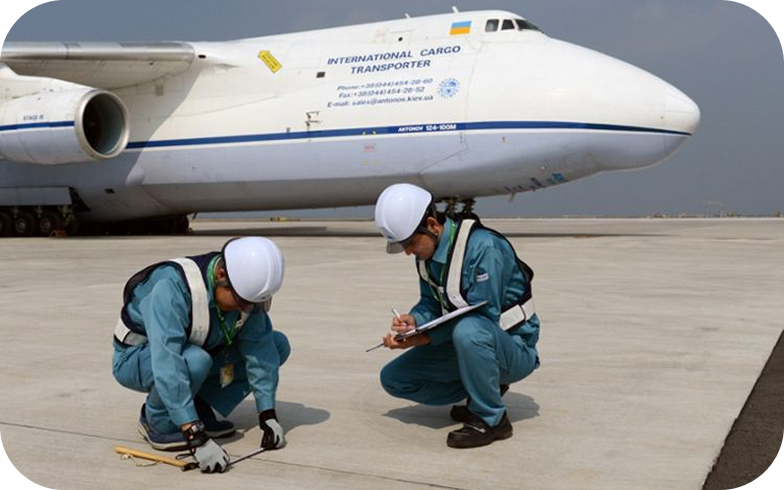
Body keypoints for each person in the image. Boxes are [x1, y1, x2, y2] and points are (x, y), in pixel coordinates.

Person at [374, 183, 540, 449]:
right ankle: (483, 391)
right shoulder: (426, 255)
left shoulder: (484, 247)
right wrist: (415, 321)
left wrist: (425, 339)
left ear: (432, 224)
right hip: (472, 343)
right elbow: (431, 302)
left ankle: (492, 418)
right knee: (395, 379)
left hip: (512, 349)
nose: (408, 251)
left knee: (470, 330)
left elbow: (484, 316)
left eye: (410, 243)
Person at [111, 237, 291, 473]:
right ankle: (158, 421)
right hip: (139, 358)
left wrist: (267, 414)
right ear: (221, 276)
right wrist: (195, 435)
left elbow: (261, 350)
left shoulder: (245, 293)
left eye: (253, 304)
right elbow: (168, 360)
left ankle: (200, 406)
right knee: (195, 361)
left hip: (197, 351)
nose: (245, 310)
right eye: (241, 302)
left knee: (277, 345)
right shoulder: (170, 288)